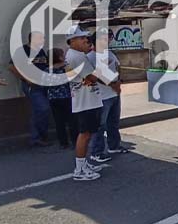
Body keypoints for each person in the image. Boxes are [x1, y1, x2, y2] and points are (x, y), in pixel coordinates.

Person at [65, 26, 105, 181]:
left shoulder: (76, 55)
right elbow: (92, 78)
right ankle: (80, 169)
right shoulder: (77, 57)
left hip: (86, 100)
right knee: (85, 134)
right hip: (85, 102)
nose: (85, 41)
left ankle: (83, 163)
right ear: (72, 40)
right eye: (81, 38)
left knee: (87, 133)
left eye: (85, 38)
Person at [88, 29, 126, 162]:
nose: (108, 41)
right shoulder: (91, 57)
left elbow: (118, 66)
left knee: (113, 122)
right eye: (105, 38)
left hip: (114, 94)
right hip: (102, 96)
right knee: (100, 125)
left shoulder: (109, 53)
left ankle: (114, 145)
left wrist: (119, 81)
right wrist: (112, 84)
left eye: (109, 38)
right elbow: (96, 76)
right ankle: (96, 152)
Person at [9, 31, 52, 148]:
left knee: (39, 110)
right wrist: (26, 78)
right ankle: (36, 137)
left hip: (43, 84)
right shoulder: (22, 51)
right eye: (40, 38)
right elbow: (12, 67)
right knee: (42, 108)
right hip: (32, 86)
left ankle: (40, 137)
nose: (42, 41)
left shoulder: (40, 51)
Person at [46, 48, 77, 149]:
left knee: (59, 121)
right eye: (63, 55)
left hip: (53, 98)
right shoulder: (65, 69)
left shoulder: (47, 70)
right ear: (59, 57)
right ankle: (75, 141)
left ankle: (63, 142)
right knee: (72, 120)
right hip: (66, 97)